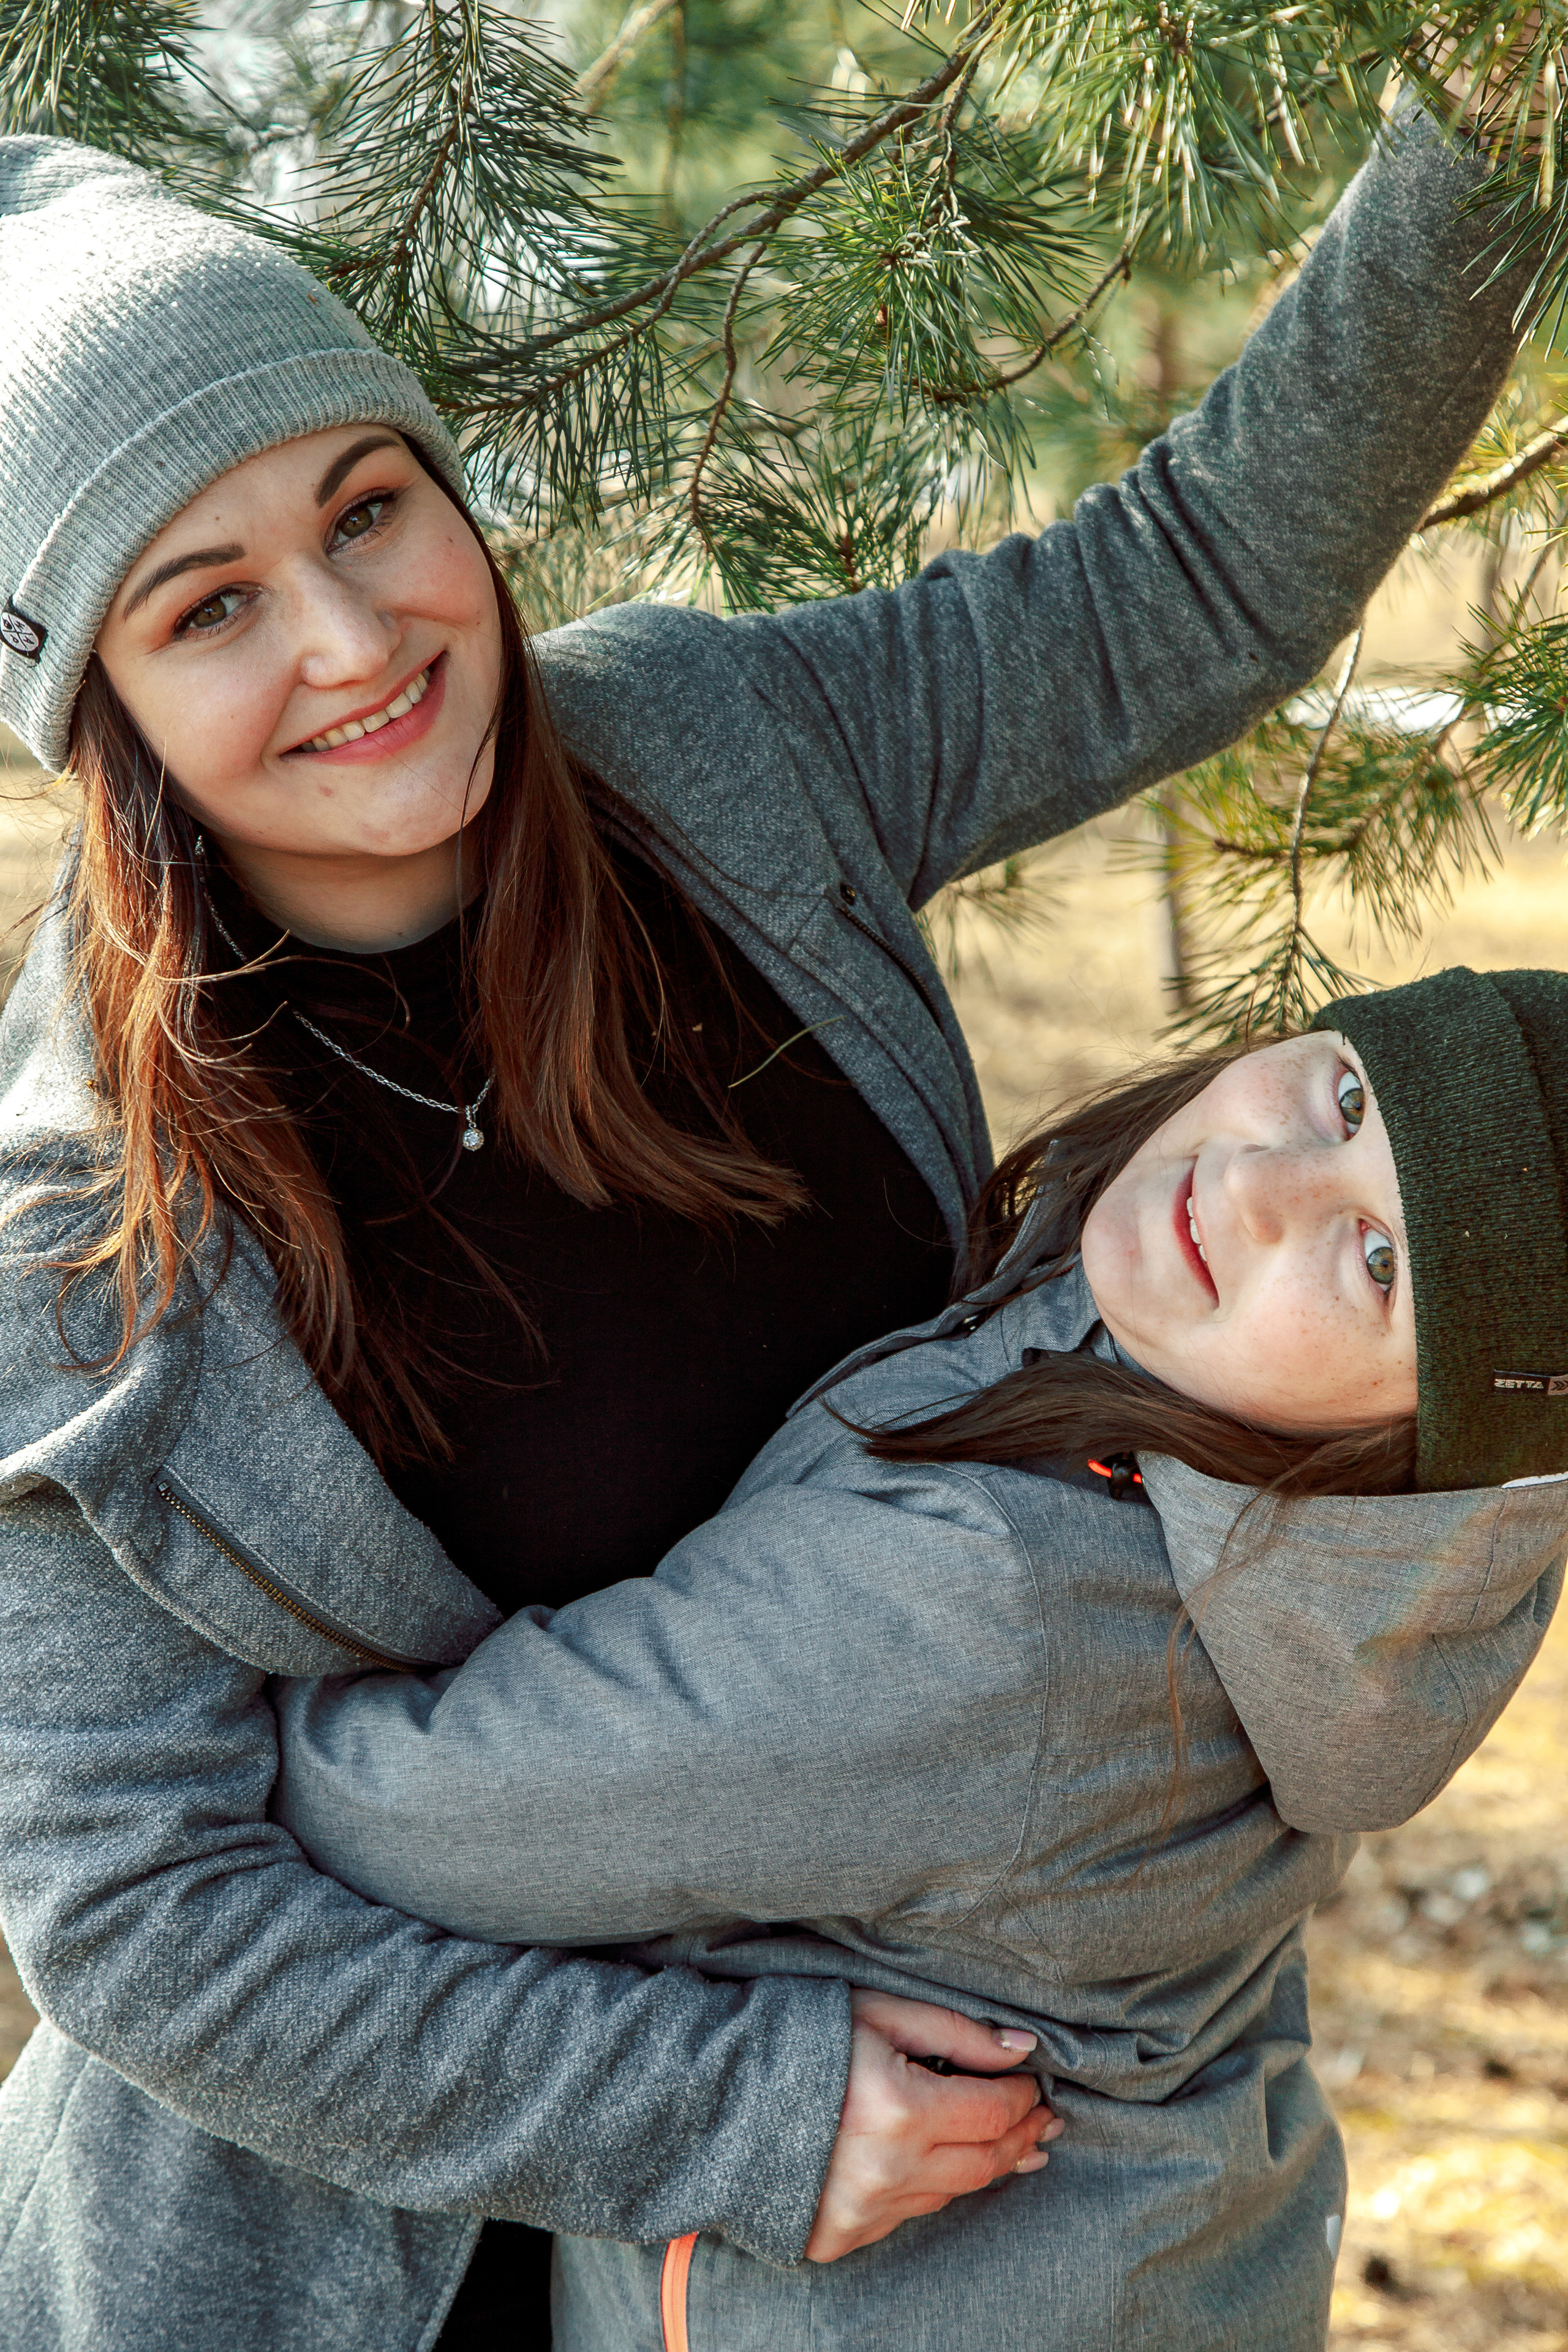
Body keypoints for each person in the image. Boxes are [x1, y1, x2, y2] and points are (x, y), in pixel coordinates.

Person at [0, 83, 1537, 2349]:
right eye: (210, 606)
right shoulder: (77, 1241)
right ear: (98, 701)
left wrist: (1494, 130)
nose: (350, 638)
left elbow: (1196, 579)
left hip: (919, 2275)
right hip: (334, 2274)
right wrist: (718, 2108)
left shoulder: (721, 756)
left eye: (371, 507)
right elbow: (142, 1914)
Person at [273, 971, 1568, 2352]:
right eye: (1344, 1095)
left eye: (1376, 1259)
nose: (1258, 1183)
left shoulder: (989, 1612)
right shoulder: (1336, 1535)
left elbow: (400, 1816)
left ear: (1427, 1441)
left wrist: (130, 1659)